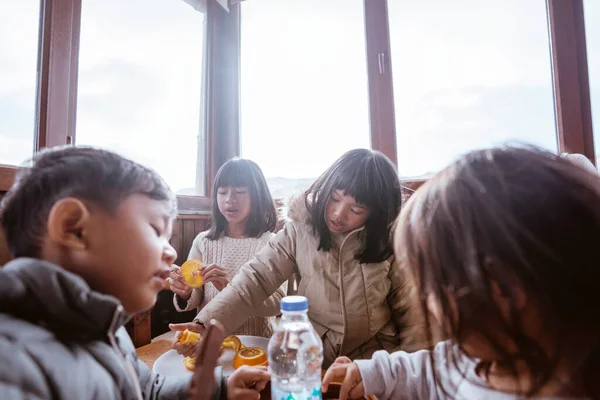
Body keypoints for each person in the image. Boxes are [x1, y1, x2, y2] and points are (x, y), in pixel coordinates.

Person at [323, 146, 600, 399]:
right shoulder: (481, 359)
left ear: (504, 288)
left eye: (432, 286)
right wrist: (375, 373)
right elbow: (433, 371)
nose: (429, 304)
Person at [0, 146, 269, 399]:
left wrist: (218, 389)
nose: (172, 253)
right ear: (74, 227)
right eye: (155, 230)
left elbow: (147, 391)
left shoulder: (107, 329)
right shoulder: (12, 362)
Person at [175, 149, 425, 367]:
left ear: (377, 213)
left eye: (356, 210)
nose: (338, 214)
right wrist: (206, 324)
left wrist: (409, 375)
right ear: (324, 189)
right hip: (313, 353)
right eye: (334, 199)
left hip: (374, 360)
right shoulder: (299, 230)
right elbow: (254, 281)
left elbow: (413, 315)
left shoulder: (393, 241)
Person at [168, 158, 284, 347]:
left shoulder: (272, 243)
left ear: (258, 196)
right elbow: (196, 295)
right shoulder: (203, 242)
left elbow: (278, 303)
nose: (230, 199)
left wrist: (234, 289)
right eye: (222, 192)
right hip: (211, 344)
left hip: (257, 345)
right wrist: (185, 292)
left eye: (240, 192)